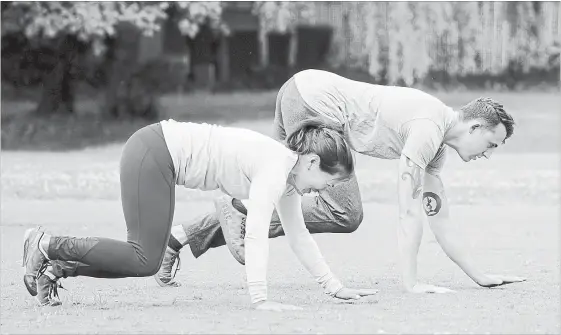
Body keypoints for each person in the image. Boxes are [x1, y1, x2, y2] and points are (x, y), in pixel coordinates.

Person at [154, 69, 525, 293]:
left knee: (285, 189)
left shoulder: (437, 148)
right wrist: (411, 284)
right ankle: (238, 207)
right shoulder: (428, 128)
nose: (486, 154)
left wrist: (479, 275)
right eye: (490, 143)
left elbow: (436, 215)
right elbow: (407, 211)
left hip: (301, 90)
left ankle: (183, 235)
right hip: (314, 101)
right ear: (475, 126)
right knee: (345, 212)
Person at [22, 119, 378, 308]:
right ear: (313, 162)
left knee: (144, 258)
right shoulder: (276, 167)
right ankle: (47, 244)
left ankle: (54, 268)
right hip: (153, 151)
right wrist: (260, 299)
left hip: (156, 156)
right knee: (145, 257)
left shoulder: (287, 177)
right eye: (325, 183)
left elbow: (298, 235)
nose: (321, 192)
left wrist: (335, 288)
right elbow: (254, 233)